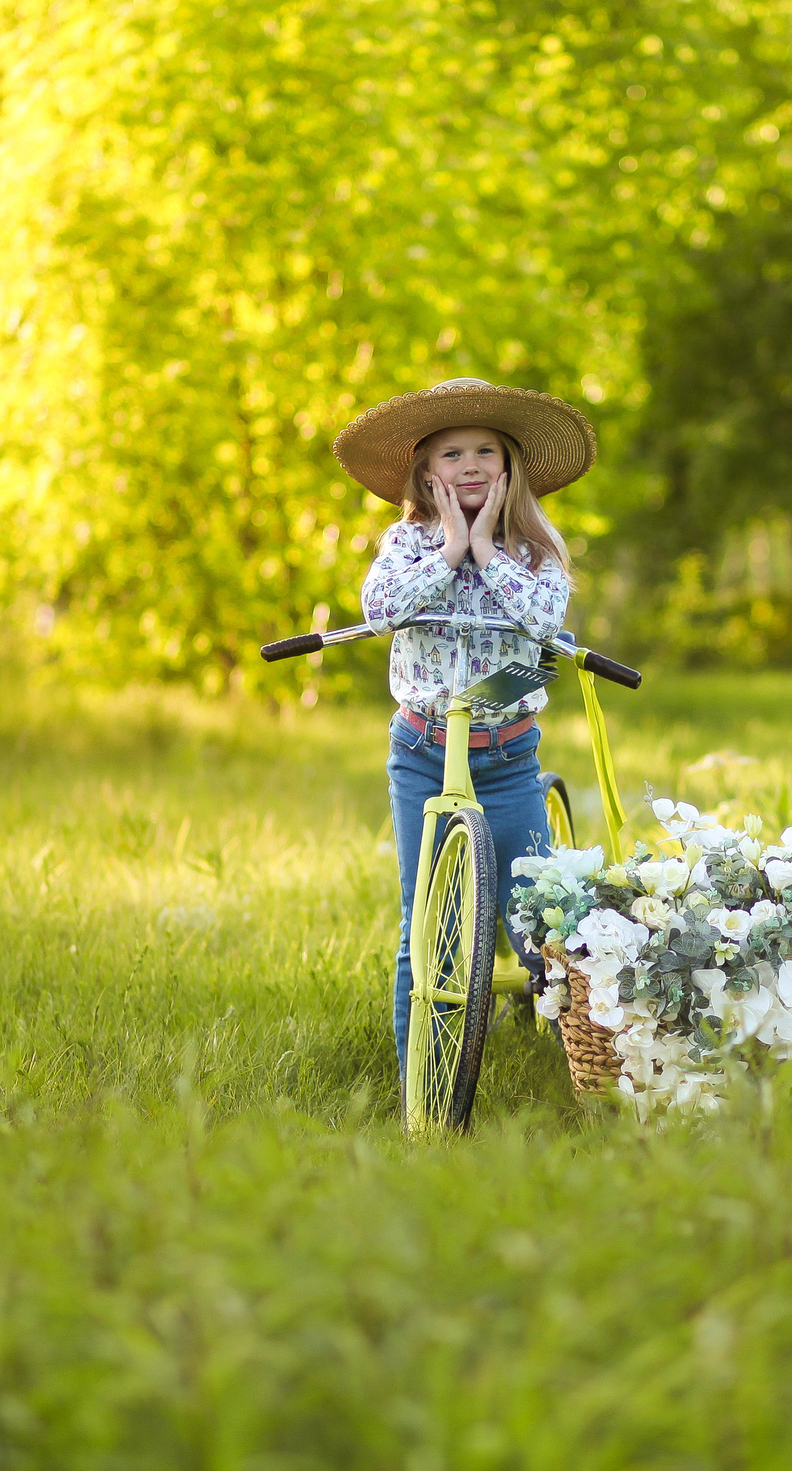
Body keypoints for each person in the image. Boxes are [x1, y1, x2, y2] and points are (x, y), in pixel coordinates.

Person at [333, 377, 595, 1073]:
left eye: (485, 450)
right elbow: (382, 607)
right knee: (425, 925)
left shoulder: (533, 548)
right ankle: (421, 1073)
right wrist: (450, 549)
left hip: (508, 758)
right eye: (452, 454)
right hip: (423, 751)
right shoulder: (408, 541)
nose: (470, 464)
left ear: (510, 467)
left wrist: (486, 551)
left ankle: (578, 1050)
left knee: (537, 913)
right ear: (425, 471)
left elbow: (545, 620)